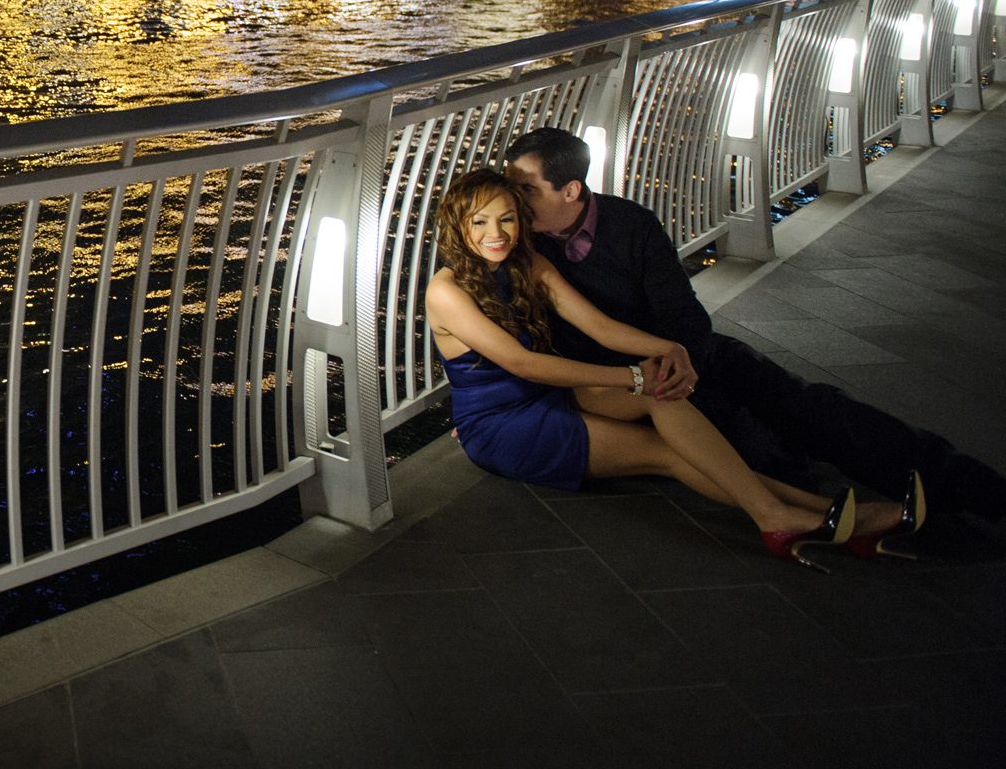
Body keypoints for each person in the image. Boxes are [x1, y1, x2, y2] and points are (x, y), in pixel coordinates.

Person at [503, 125, 1006, 525]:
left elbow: (683, 314)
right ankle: (872, 514)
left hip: (684, 358)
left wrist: (683, 365)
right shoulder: (515, 243)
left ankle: (966, 486)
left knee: (812, 408)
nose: (512, 203)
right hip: (619, 386)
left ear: (570, 190)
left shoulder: (630, 225)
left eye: (524, 189)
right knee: (754, 452)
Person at [426, 170, 917, 568]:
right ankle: (804, 517)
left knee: (664, 393)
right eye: (480, 223)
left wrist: (669, 348)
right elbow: (522, 363)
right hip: (501, 425)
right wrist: (633, 376)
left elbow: (599, 327)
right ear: (458, 227)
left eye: (507, 219)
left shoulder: (527, 264)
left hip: (548, 400)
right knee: (668, 452)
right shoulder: (446, 291)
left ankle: (809, 518)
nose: (497, 234)